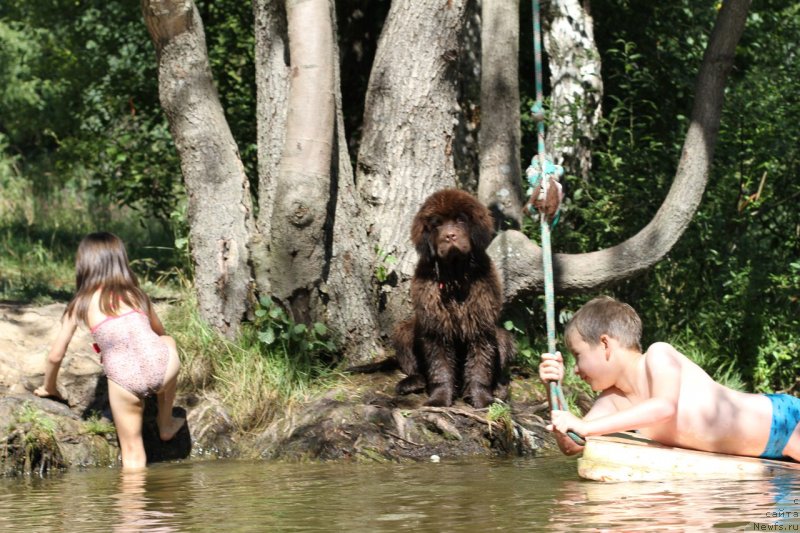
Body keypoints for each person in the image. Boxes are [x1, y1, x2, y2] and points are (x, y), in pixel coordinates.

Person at [539, 295, 800, 461]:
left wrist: (587, 426)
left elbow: (664, 408)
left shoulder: (658, 355)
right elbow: (572, 444)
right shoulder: (613, 401)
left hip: (784, 420)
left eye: (578, 355)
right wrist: (554, 389)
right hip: (766, 452)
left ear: (605, 344)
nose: (575, 368)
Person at [34, 232, 185, 470]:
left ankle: (133, 505)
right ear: (121, 262)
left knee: (133, 453)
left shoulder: (81, 302)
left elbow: (55, 355)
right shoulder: (137, 295)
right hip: (164, 369)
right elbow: (159, 333)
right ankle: (165, 422)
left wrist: (49, 387)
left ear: (84, 265)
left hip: (123, 382)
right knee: (168, 341)